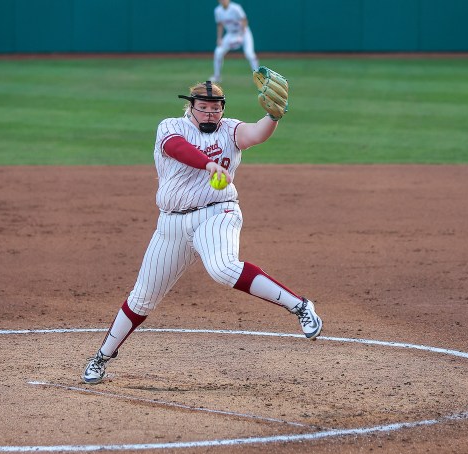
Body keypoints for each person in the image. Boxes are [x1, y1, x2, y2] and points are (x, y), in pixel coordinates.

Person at [82, 79, 323, 385]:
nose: (210, 114)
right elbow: (176, 149)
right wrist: (209, 165)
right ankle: (102, 357)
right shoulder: (171, 127)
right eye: (204, 108)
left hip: (217, 213)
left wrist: (272, 118)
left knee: (222, 268)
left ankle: (300, 307)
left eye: (216, 108)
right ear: (191, 108)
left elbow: (256, 133)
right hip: (170, 224)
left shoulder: (230, 130)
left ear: (223, 109)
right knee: (142, 298)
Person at [210, 0, 259, 83]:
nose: (223, 1)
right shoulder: (218, 11)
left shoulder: (236, 8)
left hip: (244, 32)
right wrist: (219, 38)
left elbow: (244, 21)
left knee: (249, 54)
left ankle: (258, 76)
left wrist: (241, 35)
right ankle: (217, 76)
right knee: (218, 52)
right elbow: (220, 25)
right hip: (231, 34)